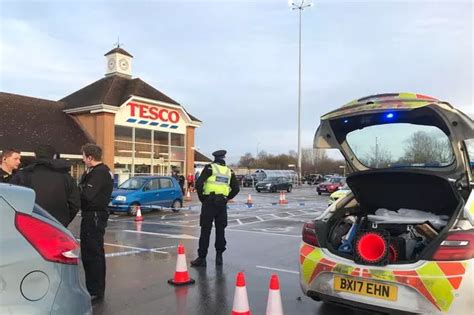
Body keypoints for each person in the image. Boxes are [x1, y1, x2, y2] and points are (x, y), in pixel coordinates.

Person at [191, 150, 240, 267]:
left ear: (215, 158)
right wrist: (227, 198)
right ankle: (219, 257)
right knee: (220, 230)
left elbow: (199, 183)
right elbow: (236, 188)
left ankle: (202, 258)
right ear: (224, 157)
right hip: (222, 204)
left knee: (205, 231)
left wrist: (202, 198)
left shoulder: (209, 168)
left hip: (209, 202)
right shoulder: (229, 171)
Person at [10, 145, 80, 227]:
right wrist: (64, 221)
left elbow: (12, 199)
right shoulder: (66, 177)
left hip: (30, 223)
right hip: (57, 224)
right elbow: (75, 203)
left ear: (35, 156)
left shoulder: (23, 175)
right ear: (54, 156)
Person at [79, 144, 113, 303]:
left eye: (84, 155)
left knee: (92, 252)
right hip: (92, 215)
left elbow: (87, 195)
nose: (82, 158)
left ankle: (95, 290)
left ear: (90, 157)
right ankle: (95, 287)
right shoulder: (95, 172)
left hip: (94, 215)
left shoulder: (100, 173)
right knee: (92, 252)